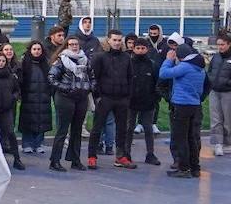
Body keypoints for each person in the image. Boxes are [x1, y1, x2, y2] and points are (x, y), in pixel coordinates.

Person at [87, 29, 133, 170]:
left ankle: (120, 157)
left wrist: (127, 96)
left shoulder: (126, 57)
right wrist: (97, 97)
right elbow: (93, 78)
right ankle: (92, 156)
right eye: (115, 40)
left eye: (119, 40)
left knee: (122, 129)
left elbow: (130, 77)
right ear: (108, 40)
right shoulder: (99, 57)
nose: (117, 43)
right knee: (97, 128)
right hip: (105, 98)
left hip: (122, 98)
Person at [160, 44, 206, 178]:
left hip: (181, 105)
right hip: (195, 105)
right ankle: (195, 167)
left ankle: (183, 168)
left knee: (181, 138)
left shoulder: (185, 66)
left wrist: (168, 60)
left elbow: (164, 74)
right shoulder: (200, 67)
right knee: (191, 138)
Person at [48, 37, 92, 172]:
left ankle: (75, 159)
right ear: (66, 45)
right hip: (65, 97)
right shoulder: (61, 60)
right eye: (71, 44)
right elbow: (51, 78)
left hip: (81, 97)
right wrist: (66, 88)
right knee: (62, 130)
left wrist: (90, 87)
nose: (74, 46)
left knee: (77, 130)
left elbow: (93, 76)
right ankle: (55, 161)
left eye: (76, 44)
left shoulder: (84, 60)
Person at [127, 37, 162, 166]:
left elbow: (158, 82)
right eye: (138, 48)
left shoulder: (152, 64)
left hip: (148, 102)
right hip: (131, 102)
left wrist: (156, 97)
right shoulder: (128, 63)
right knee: (129, 127)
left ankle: (150, 154)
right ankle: (126, 153)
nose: (140, 51)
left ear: (147, 49)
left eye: (143, 48)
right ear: (133, 49)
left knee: (148, 128)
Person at [16, 41, 53, 156]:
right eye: (34, 49)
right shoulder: (25, 64)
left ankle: (39, 143)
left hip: (43, 97)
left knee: (41, 120)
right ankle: (27, 144)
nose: (37, 51)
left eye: (39, 49)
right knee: (28, 120)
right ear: (30, 50)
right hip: (28, 97)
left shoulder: (46, 64)